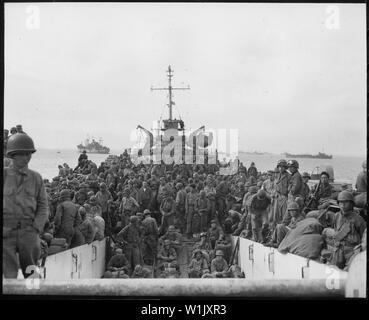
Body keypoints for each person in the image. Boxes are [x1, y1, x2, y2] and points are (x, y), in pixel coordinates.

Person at [3, 133, 48, 278]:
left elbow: (43, 206)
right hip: (6, 232)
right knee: (8, 275)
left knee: (32, 273)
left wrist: (36, 228)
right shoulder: (4, 175)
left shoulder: (36, 178)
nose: (26, 157)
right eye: (22, 154)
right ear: (13, 155)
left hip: (29, 231)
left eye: (29, 154)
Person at [329, 191, 366, 270]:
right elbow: (335, 230)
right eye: (341, 202)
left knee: (350, 272)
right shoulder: (336, 216)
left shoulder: (358, 219)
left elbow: (363, 237)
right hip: (338, 249)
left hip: (351, 251)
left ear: (351, 204)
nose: (343, 205)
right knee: (333, 271)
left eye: (346, 202)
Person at [272, 159, 290, 228]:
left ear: (285, 167)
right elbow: (275, 186)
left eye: (283, 167)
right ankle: (275, 230)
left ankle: (282, 230)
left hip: (285, 197)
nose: (281, 168)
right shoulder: (277, 175)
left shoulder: (288, 176)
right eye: (279, 167)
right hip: (277, 197)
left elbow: (289, 189)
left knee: (283, 215)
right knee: (275, 215)